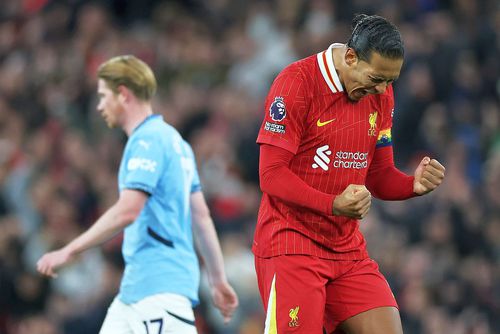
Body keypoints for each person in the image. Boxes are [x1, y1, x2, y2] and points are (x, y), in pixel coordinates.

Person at [253, 14, 445, 334]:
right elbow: (270, 175)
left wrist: (413, 184)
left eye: (390, 81)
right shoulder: (297, 83)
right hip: (291, 245)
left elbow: (380, 175)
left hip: (346, 250)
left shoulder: (380, 93)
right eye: (376, 79)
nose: (382, 89)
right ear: (351, 57)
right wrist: (333, 204)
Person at [36, 55, 238, 333]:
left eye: (104, 96)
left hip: (159, 292)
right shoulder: (177, 143)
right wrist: (217, 281)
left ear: (123, 94)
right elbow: (201, 217)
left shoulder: (148, 140)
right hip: (134, 293)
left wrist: (70, 250)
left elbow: (129, 210)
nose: (99, 105)